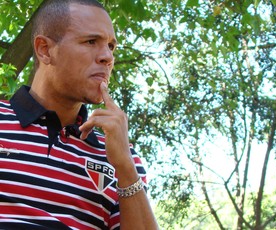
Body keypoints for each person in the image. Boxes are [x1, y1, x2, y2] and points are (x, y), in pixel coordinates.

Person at [0, 0, 159, 229]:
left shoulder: (122, 156)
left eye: (111, 46)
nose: (107, 57)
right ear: (44, 49)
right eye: (91, 41)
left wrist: (124, 166)